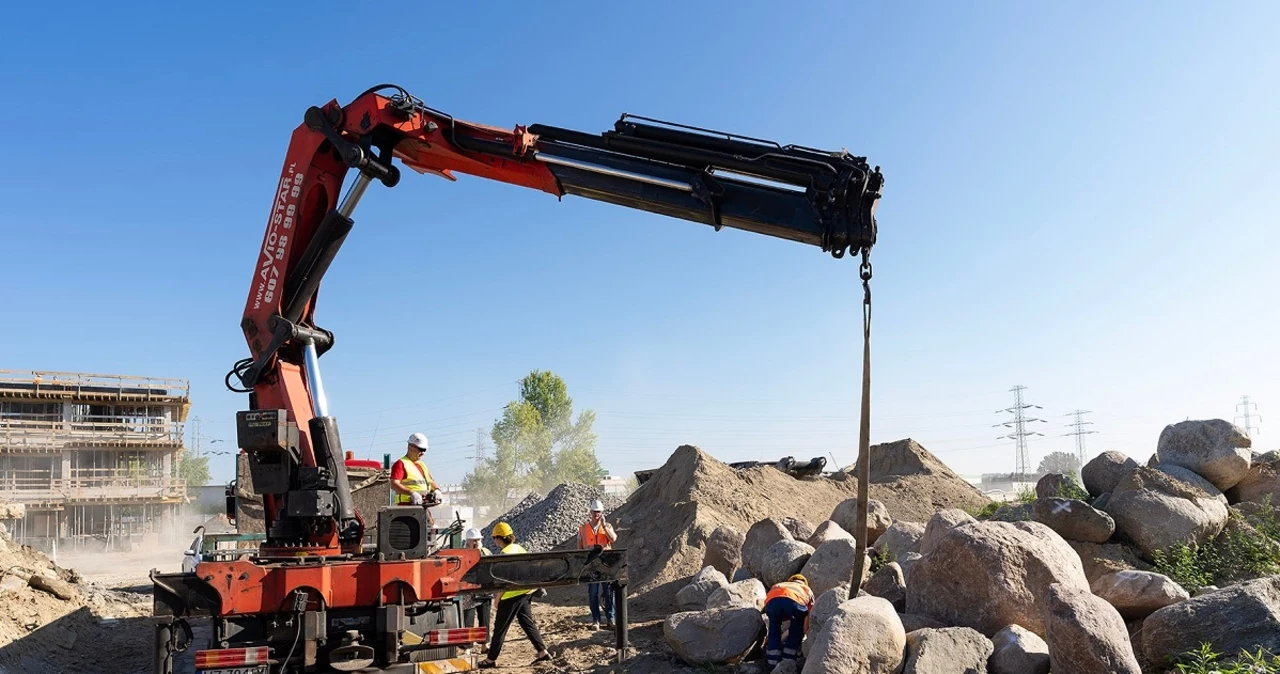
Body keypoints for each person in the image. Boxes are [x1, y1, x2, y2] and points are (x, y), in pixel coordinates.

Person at [479, 522, 552, 669]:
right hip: (525, 592)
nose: (494, 541)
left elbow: (503, 582)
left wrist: (497, 599)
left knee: (500, 628)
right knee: (527, 623)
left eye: (494, 538)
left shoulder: (505, 554)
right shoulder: (519, 548)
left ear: (499, 538)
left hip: (510, 596)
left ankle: (491, 659)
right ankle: (543, 652)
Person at [577, 499, 617, 630]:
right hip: (592, 565)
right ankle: (596, 620)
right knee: (593, 593)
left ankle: (611, 619)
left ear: (602, 513)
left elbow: (613, 539)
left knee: (609, 592)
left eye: (598, 512)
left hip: (606, 564)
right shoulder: (583, 528)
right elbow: (579, 548)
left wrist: (605, 526)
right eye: (594, 512)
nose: (596, 514)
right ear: (590, 512)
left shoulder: (607, 526)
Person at [763, 574, 814, 667]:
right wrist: (805, 632)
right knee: (797, 627)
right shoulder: (806, 589)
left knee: (774, 629)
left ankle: (772, 662)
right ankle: (789, 658)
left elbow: (770, 600)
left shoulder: (780, 584)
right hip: (794, 601)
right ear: (805, 583)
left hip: (772, 602)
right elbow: (808, 614)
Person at [461, 527, 493, 652]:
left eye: (477, 540)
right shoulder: (463, 554)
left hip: (483, 591)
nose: (475, 543)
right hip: (469, 592)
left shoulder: (486, 552)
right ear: (467, 541)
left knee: (484, 619)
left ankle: (485, 645)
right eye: (473, 541)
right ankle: (467, 647)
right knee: (468, 620)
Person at [390, 432, 437, 506]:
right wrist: (411, 493)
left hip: (422, 505)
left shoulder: (422, 465)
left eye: (425, 450)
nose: (423, 453)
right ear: (410, 447)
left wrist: (437, 490)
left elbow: (430, 481)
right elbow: (394, 484)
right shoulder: (401, 463)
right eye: (421, 449)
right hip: (406, 507)